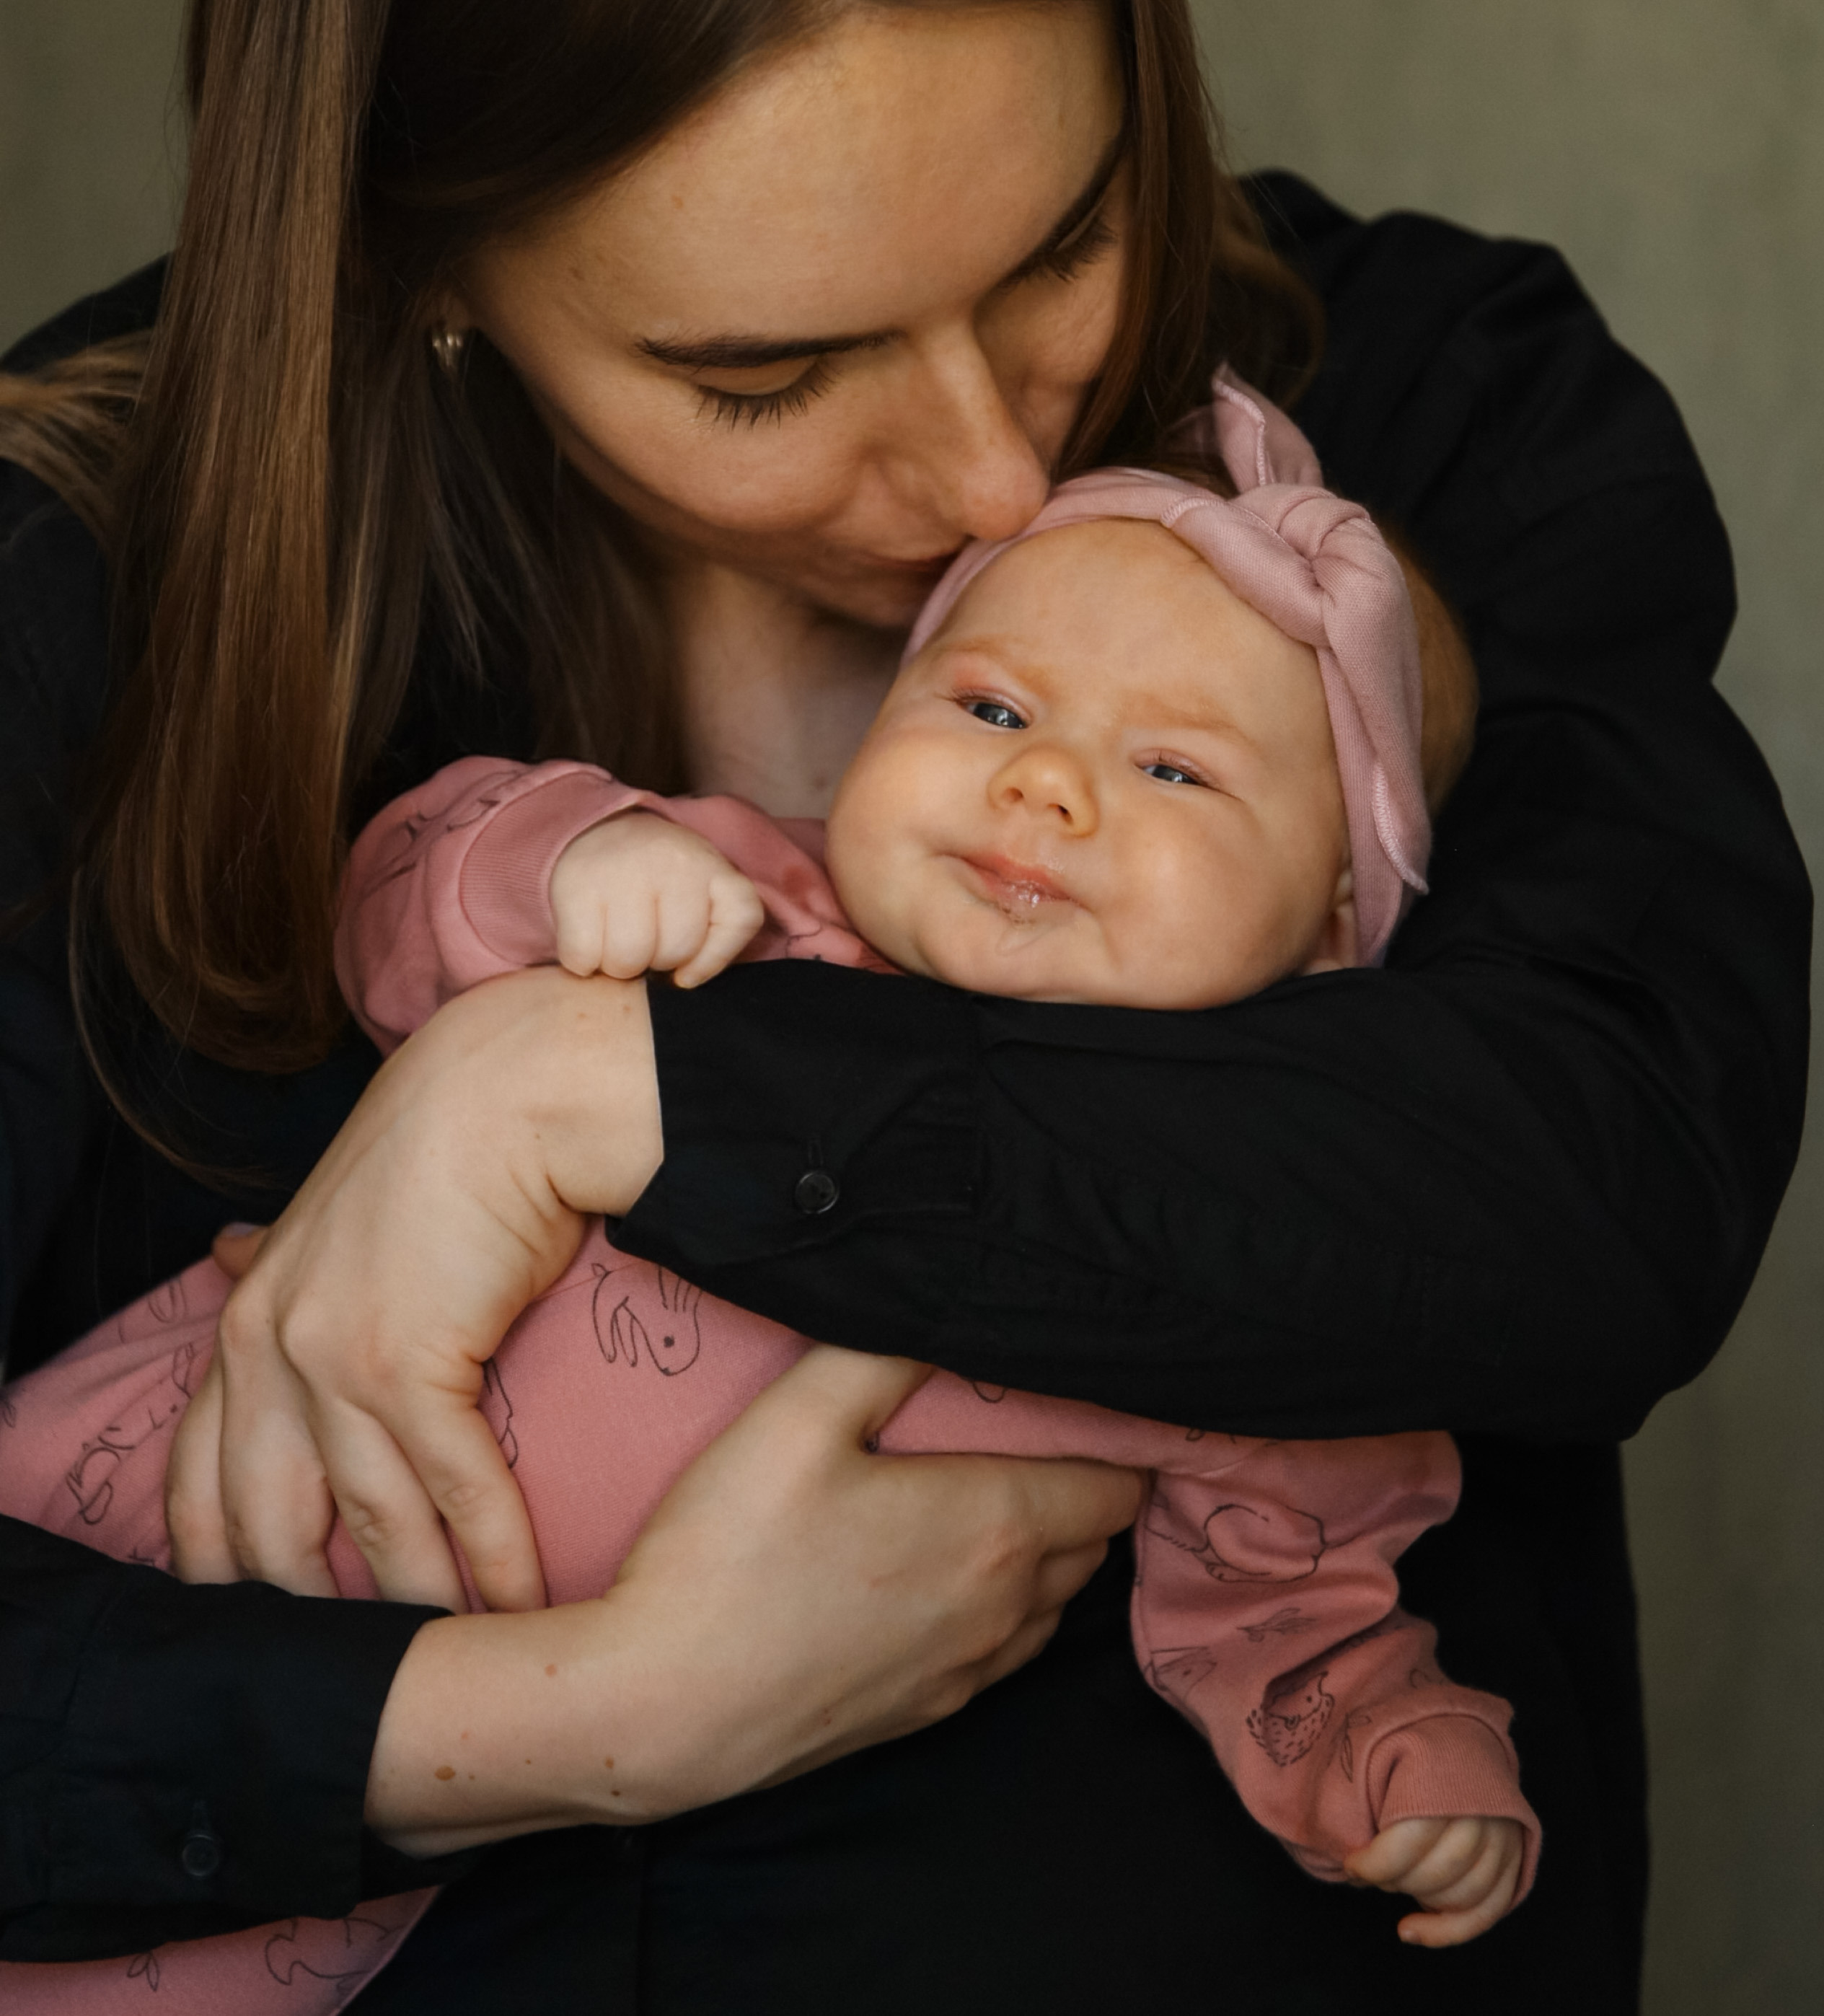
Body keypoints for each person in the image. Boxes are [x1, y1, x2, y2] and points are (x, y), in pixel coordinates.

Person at [0, 0, 1806, 2016]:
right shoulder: (88, 577)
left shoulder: (1433, 414)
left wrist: (599, 1093)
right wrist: (570, 1716)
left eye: (1063, 234)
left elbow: (1605, 1167)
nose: (991, 464)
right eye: (768, 371)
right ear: (418, 259)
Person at [2, 423, 1543, 2009]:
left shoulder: (1222, 1247)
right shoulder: (751, 911)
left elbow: (1284, 1599)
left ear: (1328, 927)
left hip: (373, 1761)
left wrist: (1392, 1759)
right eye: (992, 705)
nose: (1040, 779)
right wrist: (573, 856)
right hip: (145, 1455)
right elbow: (396, 888)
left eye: (1171, 767)